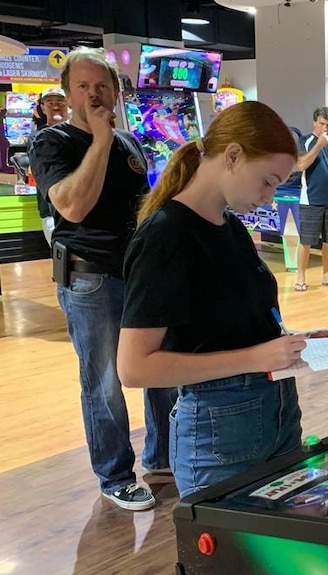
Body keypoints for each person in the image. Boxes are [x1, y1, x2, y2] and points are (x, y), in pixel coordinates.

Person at [117, 101, 328, 498]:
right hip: (219, 434)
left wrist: (294, 342)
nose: (269, 198)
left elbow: (229, 326)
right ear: (233, 156)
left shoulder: (230, 227)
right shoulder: (166, 236)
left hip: (276, 417)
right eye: (267, 182)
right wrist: (255, 358)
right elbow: (134, 368)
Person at [29, 47, 174, 511]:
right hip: (90, 280)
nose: (94, 95)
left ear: (115, 90)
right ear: (69, 94)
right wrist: (99, 141)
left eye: (102, 86)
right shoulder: (54, 142)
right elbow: (72, 206)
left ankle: (165, 455)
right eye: (83, 87)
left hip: (140, 275)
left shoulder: (129, 143)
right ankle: (115, 476)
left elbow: (145, 207)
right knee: (104, 382)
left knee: (160, 368)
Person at [293, 106, 328, 292]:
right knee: (306, 241)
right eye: (321, 124)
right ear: (314, 122)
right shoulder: (305, 141)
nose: (325, 128)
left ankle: (327, 275)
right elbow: (301, 164)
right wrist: (319, 145)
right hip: (311, 200)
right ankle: (300, 278)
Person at [28, 87, 70, 245]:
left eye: (60, 101)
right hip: (51, 210)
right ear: (43, 108)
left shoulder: (81, 133)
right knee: (62, 258)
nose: (56, 106)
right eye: (50, 103)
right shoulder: (37, 138)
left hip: (82, 208)